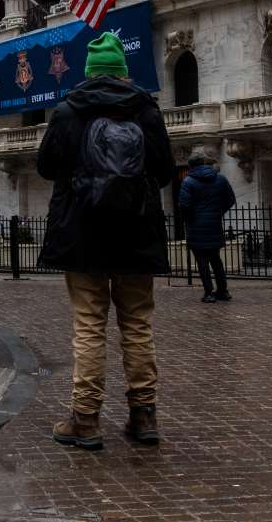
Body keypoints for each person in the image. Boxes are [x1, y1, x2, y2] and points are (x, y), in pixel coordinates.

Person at [36, 31, 174, 451]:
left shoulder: (67, 111)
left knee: (89, 326)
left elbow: (45, 167)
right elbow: (165, 171)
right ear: (124, 72)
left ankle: (86, 419)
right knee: (137, 325)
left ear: (90, 73)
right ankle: (144, 415)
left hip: (83, 234)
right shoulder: (146, 112)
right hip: (136, 232)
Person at [179, 151, 237, 302]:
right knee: (216, 259)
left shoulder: (188, 182)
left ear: (190, 165)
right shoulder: (220, 179)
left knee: (202, 261)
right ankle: (223, 291)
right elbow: (230, 199)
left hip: (196, 226)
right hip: (214, 224)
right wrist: (217, 212)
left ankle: (209, 293)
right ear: (204, 163)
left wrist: (190, 219)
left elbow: (184, 206)